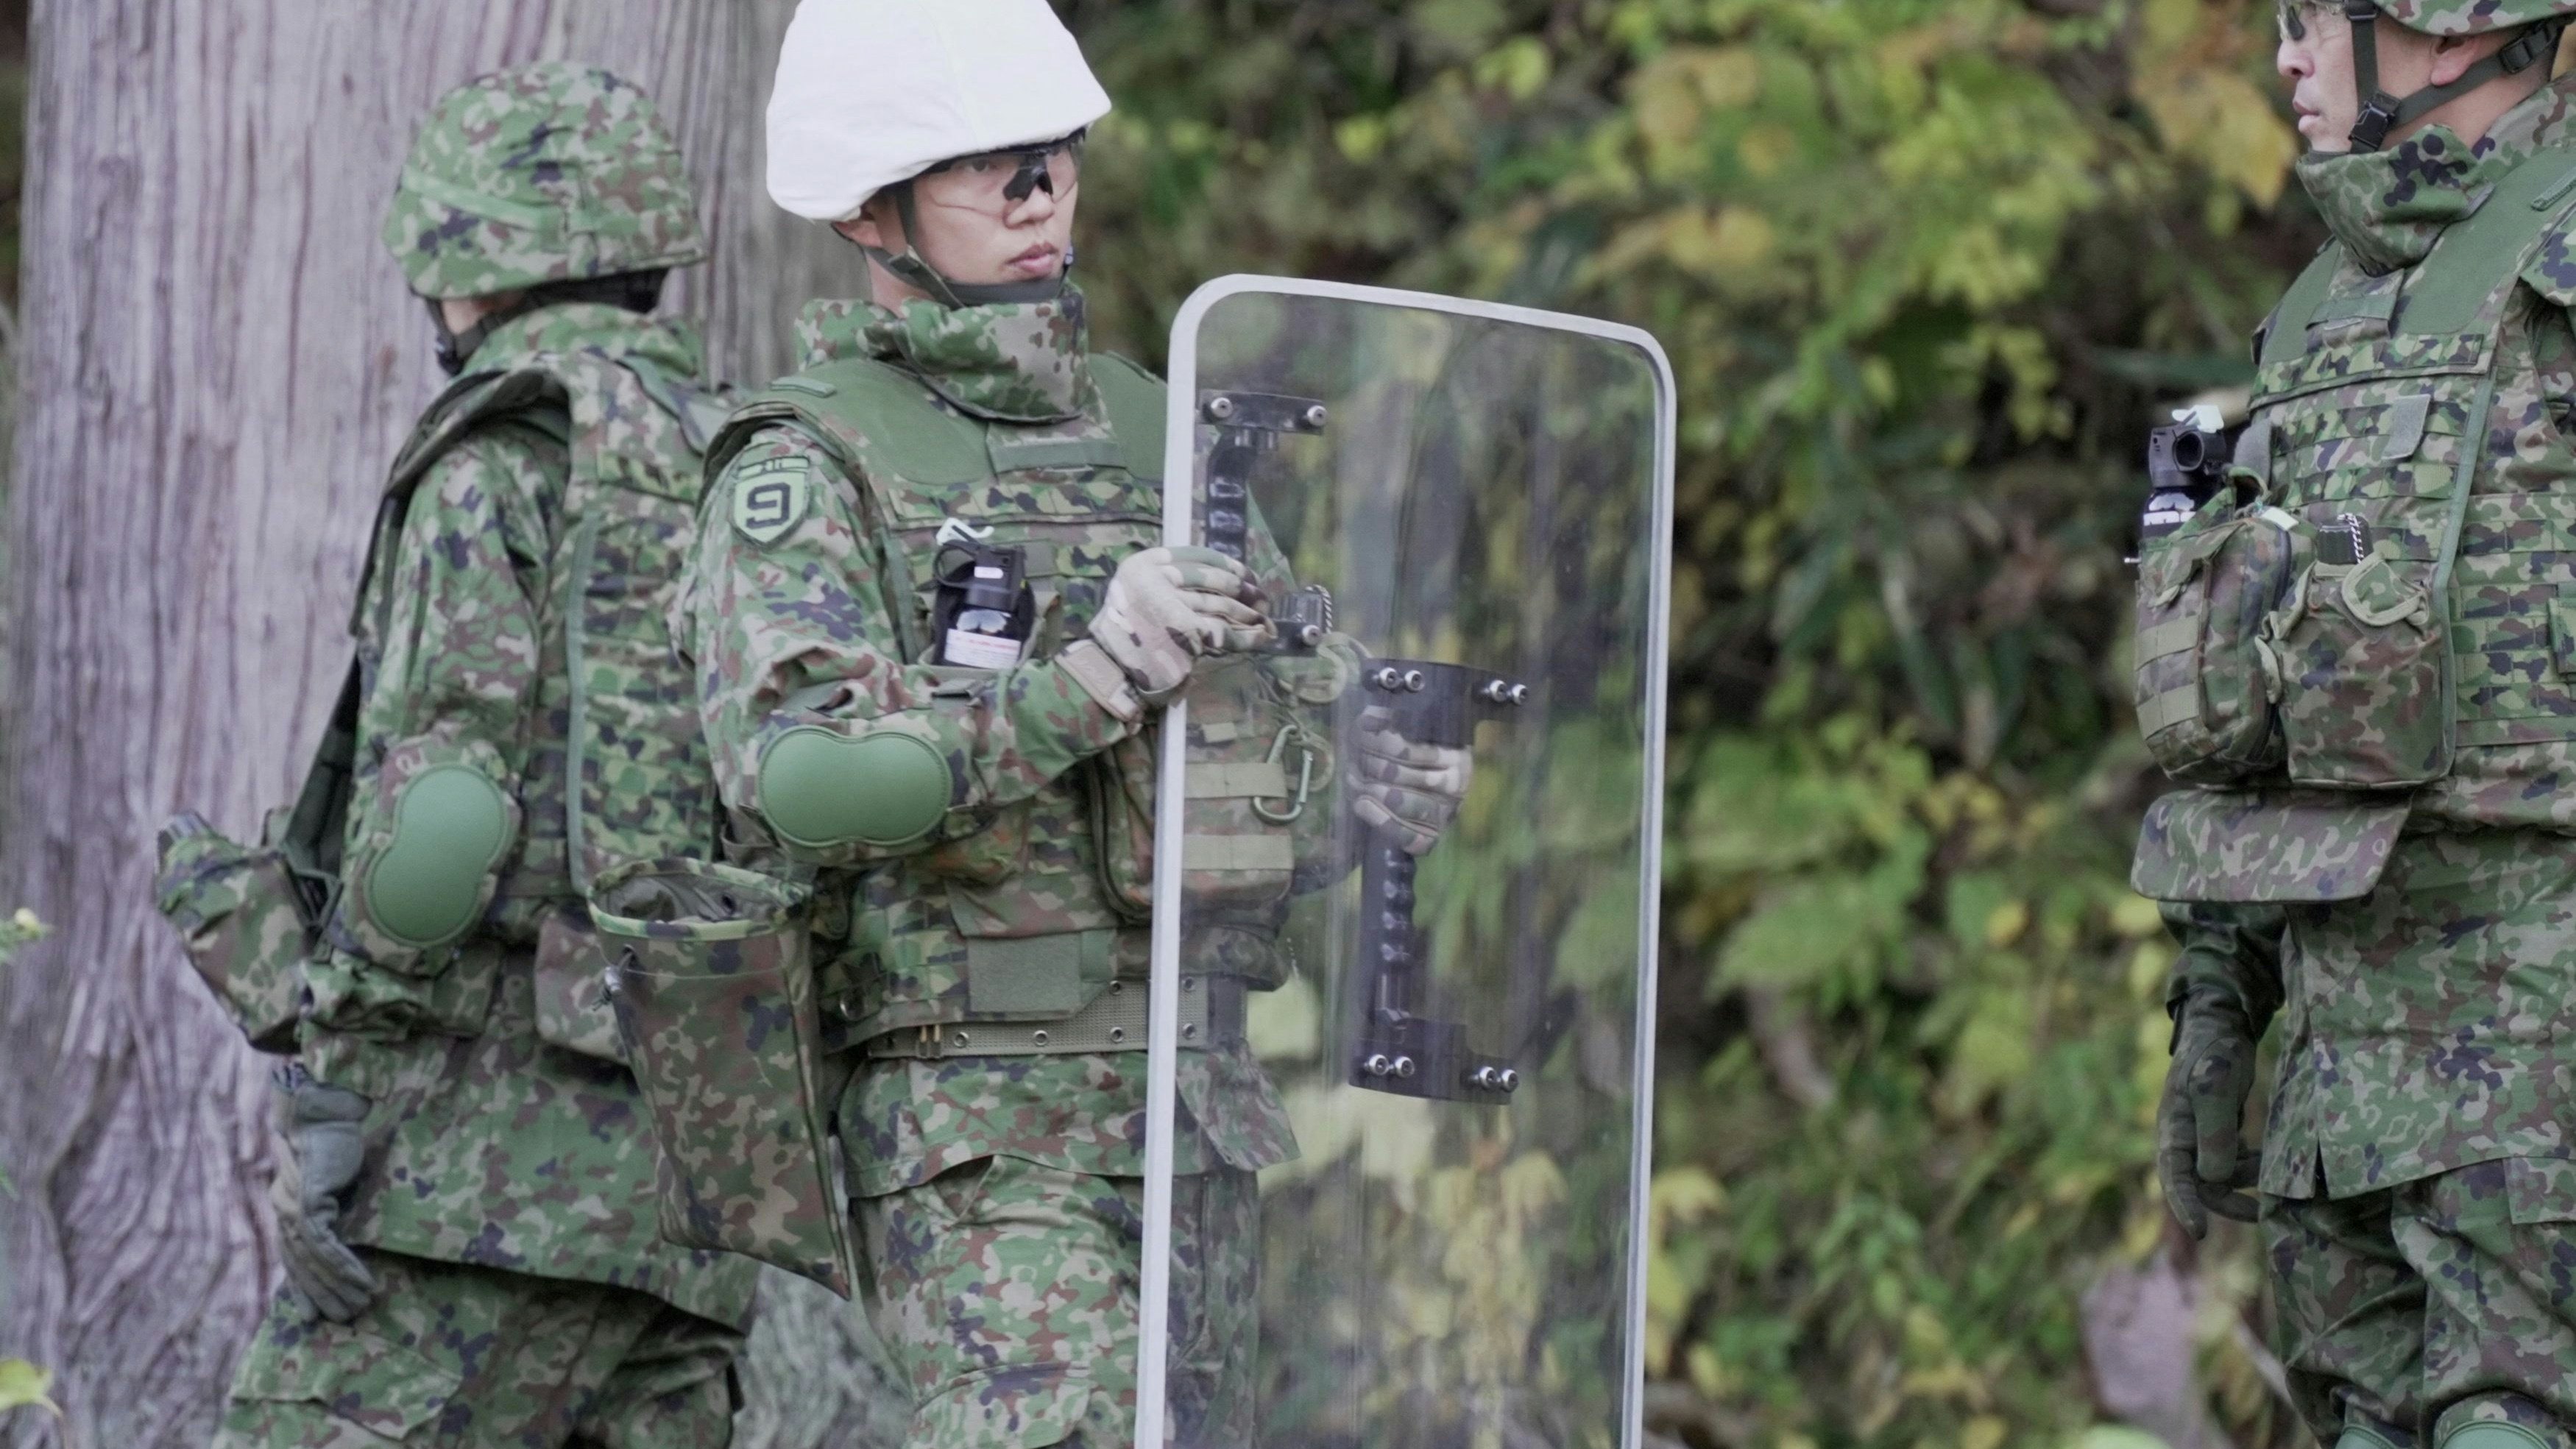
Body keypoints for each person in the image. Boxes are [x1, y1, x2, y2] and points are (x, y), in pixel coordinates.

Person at [674, 4, 1472, 1445]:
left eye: (1058, 156)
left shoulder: (1160, 430)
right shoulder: (808, 460)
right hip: (973, 1125)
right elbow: (799, 778)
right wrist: (1086, 675)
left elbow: (1245, 776)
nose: (1042, 197)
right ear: (868, 207)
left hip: (1194, 1112)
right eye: (992, 166)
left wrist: (1363, 791)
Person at [158, 63, 758, 1448]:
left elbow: (435, 834)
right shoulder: (750, 465)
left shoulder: (496, 467)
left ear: (463, 266)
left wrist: (338, 1105)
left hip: (472, 1199)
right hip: (697, 1196)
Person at [2139, 4, 2576, 1448]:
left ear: (2443, 31)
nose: (2285, 60)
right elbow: (2255, 730)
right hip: (2343, 1080)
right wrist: (2216, 1010)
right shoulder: (2327, 306)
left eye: (2316, 21)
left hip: (2535, 1051)